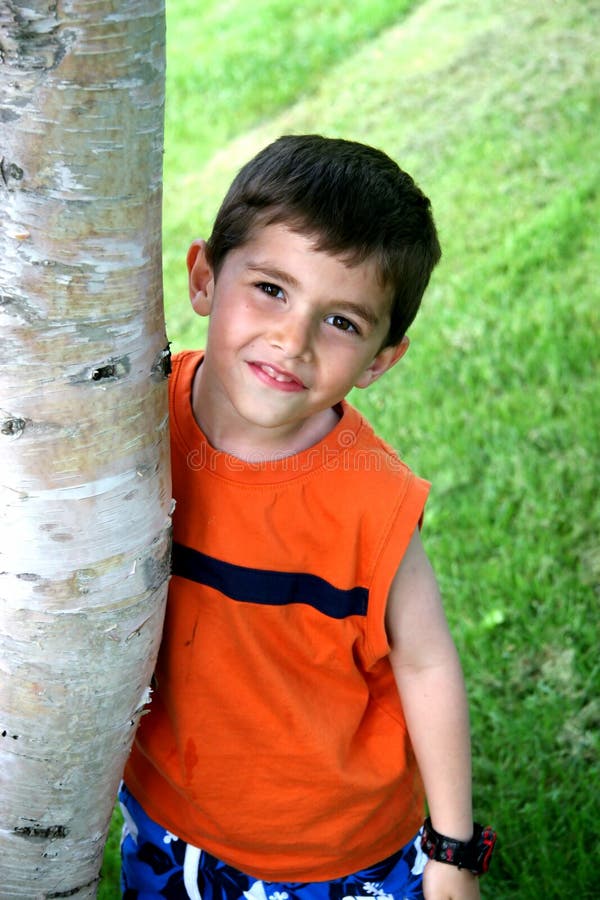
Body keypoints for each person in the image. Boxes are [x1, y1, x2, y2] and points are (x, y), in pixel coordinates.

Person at [121, 134, 495, 900]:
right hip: (167, 821)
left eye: (342, 322)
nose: (291, 340)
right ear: (203, 277)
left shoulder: (371, 499)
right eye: (271, 288)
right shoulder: (130, 424)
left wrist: (453, 853)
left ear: (381, 360)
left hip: (334, 850)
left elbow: (426, 665)